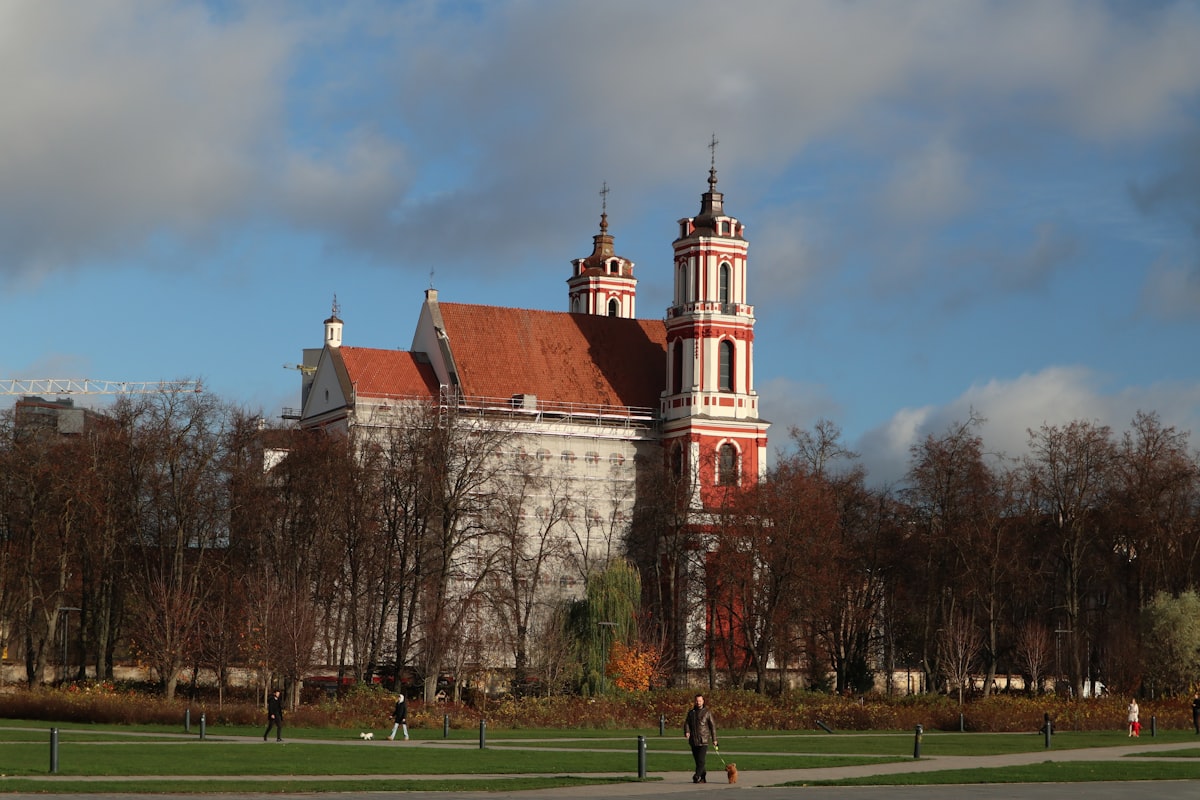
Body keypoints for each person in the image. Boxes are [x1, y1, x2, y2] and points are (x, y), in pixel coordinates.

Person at [683, 694, 717, 783]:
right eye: (697, 701)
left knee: (701, 760)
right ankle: (703, 777)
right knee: (698, 761)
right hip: (693, 740)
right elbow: (687, 723)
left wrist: (714, 739)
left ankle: (697, 775)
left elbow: (712, 726)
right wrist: (687, 731)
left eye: (700, 701)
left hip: (703, 740)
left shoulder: (707, 712)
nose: (698, 702)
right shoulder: (691, 712)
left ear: (703, 701)